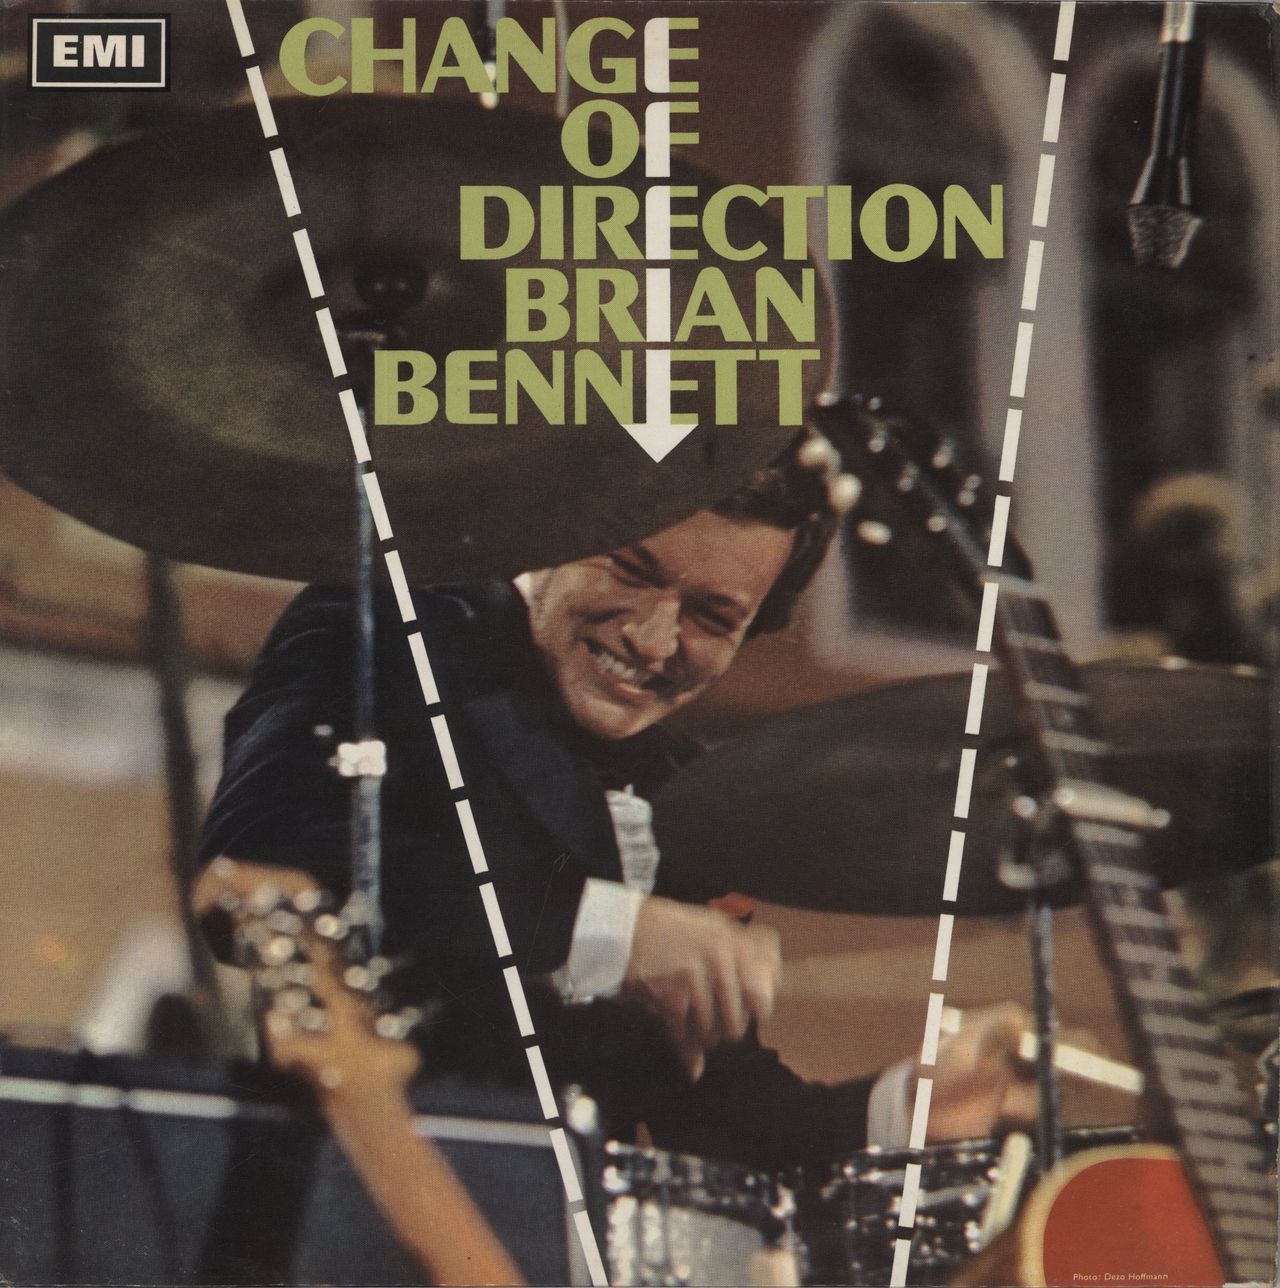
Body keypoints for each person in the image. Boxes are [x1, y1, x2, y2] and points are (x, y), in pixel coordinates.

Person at [195, 433, 1034, 1172]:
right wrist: (603, 929)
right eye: (633, 571)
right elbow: (263, 854)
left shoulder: (688, 793)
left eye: (712, 617)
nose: (654, 640)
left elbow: (720, 1121)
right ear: (553, 535)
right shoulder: (383, 624)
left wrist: (908, 1108)